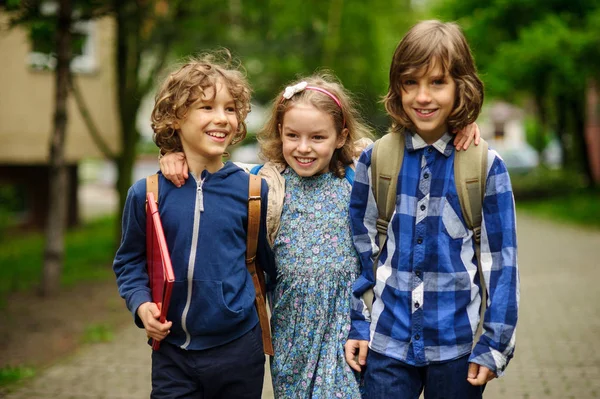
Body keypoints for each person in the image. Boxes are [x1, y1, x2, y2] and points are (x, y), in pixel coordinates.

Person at [160, 71, 481, 398]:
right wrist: (175, 153)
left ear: (341, 137)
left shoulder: (360, 173)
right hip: (291, 333)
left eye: (317, 138)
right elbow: (213, 170)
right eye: (292, 136)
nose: (303, 148)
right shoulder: (264, 182)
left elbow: (411, 144)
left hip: (348, 327)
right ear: (280, 133)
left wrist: (458, 125)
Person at [344, 20, 519, 399]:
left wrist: (495, 345)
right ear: (397, 87)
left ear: (461, 86)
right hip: (386, 344)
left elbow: (501, 264)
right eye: (411, 82)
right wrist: (358, 324)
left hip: (458, 348)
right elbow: (358, 254)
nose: (423, 96)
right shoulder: (377, 160)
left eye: (437, 82)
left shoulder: (484, 166)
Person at [112, 53, 275, 399]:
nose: (222, 119)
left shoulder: (252, 190)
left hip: (238, 349)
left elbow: (266, 264)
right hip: (172, 353)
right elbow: (129, 262)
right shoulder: (148, 193)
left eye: (230, 109)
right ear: (175, 117)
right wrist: (142, 306)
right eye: (207, 107)